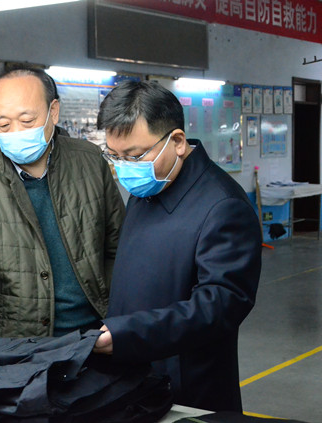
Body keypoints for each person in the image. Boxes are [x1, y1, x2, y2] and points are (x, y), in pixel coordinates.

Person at [93, 80, 262, 412]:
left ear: (178, 142)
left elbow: (221, 304)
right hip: (132, 371)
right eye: (115, 156)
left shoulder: (223, 205)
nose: (124, 168)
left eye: (135, 156)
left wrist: (130, 334)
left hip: (189, 386)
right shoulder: (148, 188)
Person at [0, 65, 125, 337]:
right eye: (3, 124)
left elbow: (118, 244)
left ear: (54, 111)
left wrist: (120, 311)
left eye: (27, 121)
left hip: (95, 331)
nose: (16, 132)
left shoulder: (89, 161)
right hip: (18, 339)